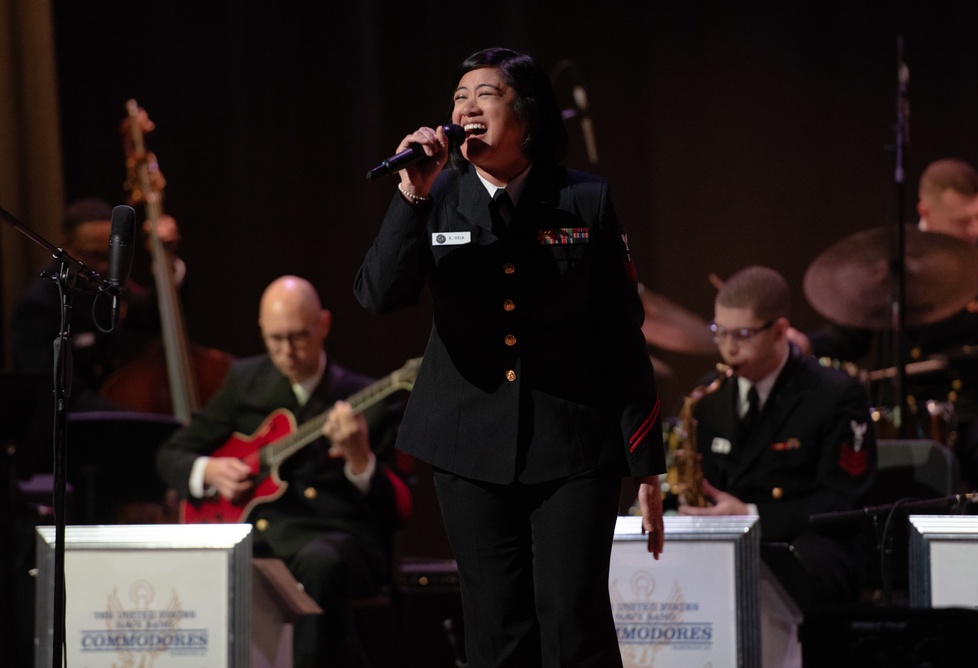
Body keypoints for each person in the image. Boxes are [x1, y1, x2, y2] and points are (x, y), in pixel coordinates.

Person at [353, 47, 665, 667]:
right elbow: (378, 295)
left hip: (573, 443)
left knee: (572, 620)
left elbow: (621, 333)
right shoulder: (436, 196)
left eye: (484, 96)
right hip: (467, 441)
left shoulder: (583, 200)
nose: (465, 108)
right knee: (496, 629)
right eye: (458, 98)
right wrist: (413, 195)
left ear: (526, 118)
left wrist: (645, 460)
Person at [155, 275, 412, 668]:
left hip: (335, 535)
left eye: (297, 337)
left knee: (320, 563)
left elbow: (397, 508)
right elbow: (173, 453)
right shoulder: (246, 381)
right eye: (274, 339)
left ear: (323, 325)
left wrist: (360, 459)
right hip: (255, 530)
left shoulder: (369, 399)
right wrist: (209, 470)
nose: (286, 351)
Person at [790, 158, 978, 495]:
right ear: (926, 212)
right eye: (964, 221)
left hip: (977, 407)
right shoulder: (892, 262)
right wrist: (804, 343)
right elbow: (847, 340)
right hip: (908, 407)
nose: (976, 229)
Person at [680, 266, 877, 610]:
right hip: (730, 539)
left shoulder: (836, 394)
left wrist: (751, 515)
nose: (728, 348)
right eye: (720, 332)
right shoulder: (709, 396)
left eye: (742, 334)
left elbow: (842, 503)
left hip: (808, 542)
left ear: (779, 331)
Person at [10, 197, 182, 412]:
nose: (103, 266)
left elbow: (151, 317)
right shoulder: (39, 305)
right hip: (68, 426)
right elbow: (48, 388)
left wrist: (166, 259)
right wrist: (125, 416)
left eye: (109, 254)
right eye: (93, 256)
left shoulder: (102, 283)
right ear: (65, 244)